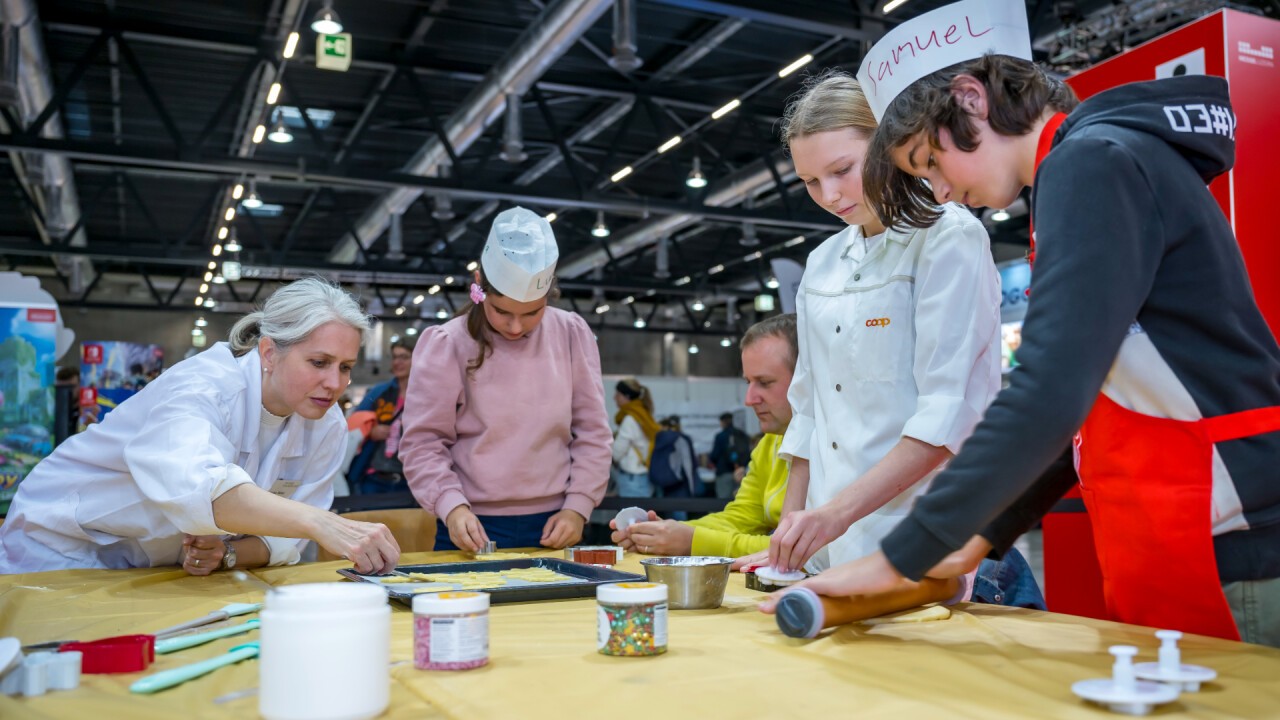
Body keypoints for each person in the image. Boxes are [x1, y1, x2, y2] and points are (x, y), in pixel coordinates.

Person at [766, 0, 1280, 647]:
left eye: (929, 162)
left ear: (972, 101)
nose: (942, 189)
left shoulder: (1090, 163)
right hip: (1188, 529)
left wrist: (907, 552)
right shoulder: (1090, 165)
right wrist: (976, 537)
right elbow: (1078, 409)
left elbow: (1047, 391)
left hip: (1230, 532)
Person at [766, 67, 1042, 614]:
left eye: (842, 170)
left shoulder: (950, 238)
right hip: (830, 545)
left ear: (886, 144)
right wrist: (790, 538)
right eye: (810, 181)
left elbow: (945, 417)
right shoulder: (821, 263)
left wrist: (835, 514)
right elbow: (809, 412)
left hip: (931, 546)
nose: (829, 195)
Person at [0, 278, 401, 576]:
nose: (335, 384)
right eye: (319, 362)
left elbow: (285, 537)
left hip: (149, 565)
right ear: (269, 353)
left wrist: (226, 555)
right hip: (60, 546)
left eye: (345, 367)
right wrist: (322, 523)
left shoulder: (326, 422)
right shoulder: (202, 386)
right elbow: (203, 491)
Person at [400, 207, 612, 552]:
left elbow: (593, 432)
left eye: (532, 313)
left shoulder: (571, 333)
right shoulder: (447, 343)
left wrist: (579, 506)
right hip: (469, 524)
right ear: (479, 290)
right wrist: (451, 507)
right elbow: (423, 442)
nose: (515, 327)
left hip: (557, 522)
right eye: (502, 312)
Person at [612, 314, 798, 557]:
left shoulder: (838, 450)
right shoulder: (770, 442)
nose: (749, 399)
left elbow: (806, 553)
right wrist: (667, 532)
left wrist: (691, 541)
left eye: (765, 382)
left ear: (805, 379)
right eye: (749, 382)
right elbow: (742, 517)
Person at [347, 336, 416, 494]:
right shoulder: (379, 392)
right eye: (395, 357)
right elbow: (353, 424)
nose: (397, 362)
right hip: (374, 478)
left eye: (404, 357)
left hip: (412, 481)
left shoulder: (428, 394)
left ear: (418, 358)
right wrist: (371, 431)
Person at [612, 377, 658, 498]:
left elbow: (616, 452)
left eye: (618, 394)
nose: (614, 398)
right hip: (643, 476)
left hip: (631, 479)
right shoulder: (644, 415)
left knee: (631, 517)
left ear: (627, 396)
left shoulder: (629, 419)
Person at [649, 415, 700, 519]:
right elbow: (688, 466)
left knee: (667, 517)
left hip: (662, 484)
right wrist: (692, 489)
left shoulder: (657, 438)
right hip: (679, 485)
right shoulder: (680, 439)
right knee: (680, 520)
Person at [708, 412, 750, 499]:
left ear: (722, 422)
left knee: (723, 502)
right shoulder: (742, 434)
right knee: (739, 499)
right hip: (740, 473)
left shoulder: (720, 436)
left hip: (724, 473)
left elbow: (714, 455)